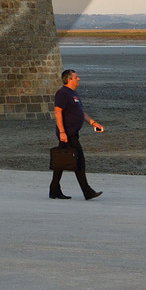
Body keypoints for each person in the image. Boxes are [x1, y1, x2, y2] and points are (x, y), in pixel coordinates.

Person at [51, 68, 104, 200]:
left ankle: (54, 190)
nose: (78, 78)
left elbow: (81, 112)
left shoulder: (74, 94)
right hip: (68, 134)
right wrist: (62, 132)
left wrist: (93, 123)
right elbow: (57, 112)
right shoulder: (62, 93)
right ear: (69, 79)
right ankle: (87, 191)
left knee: (61, 160)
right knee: (79, 161)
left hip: (73, 132)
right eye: (75, 77)